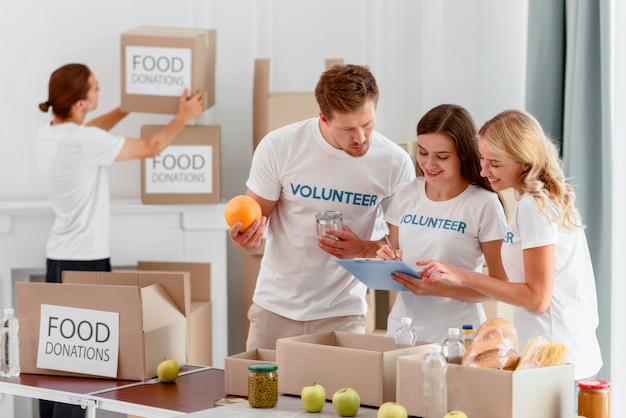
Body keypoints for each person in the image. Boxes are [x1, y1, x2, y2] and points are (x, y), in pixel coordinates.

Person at [35, 63, 203, 418]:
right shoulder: (84, 140)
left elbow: (90, 130)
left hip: (58, 260)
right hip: (86, 264)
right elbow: (152, 146)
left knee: (57, 361)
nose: (101, 92)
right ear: (80, 103)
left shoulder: (51, 133)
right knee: (83, 368)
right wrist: (183, 116)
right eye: (96, 88)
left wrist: (125, 108)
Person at [230, 64, 415, 351]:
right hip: (276, 307)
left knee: (341, 396)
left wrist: (361, 248)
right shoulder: (279, 147)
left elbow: (403, 242)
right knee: (260, 395)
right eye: (348, 129)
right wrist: (246, 240)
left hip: (343, 312)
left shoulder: (394, 162)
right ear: (324, 119)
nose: (360, 138)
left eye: (367, 124)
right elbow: (255, 220)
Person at [420, 109, 602, 382]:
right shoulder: (539, 201)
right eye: (482, 159)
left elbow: (537, 298)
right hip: (560, 355)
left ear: (525, 163)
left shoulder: (533, 208)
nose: (483, 170)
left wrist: (463, 275)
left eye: (494, 163)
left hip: (556, 359)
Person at [375, 104, 508, 343]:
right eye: (423, 152)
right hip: (402, 330)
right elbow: (392, 254)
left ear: (464, 154)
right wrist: (384, 258)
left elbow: (499, 285)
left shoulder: (484, 204)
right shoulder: (405, 194)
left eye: (442, 157)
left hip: (457, 335)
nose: (429, 164)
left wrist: (441, 289)